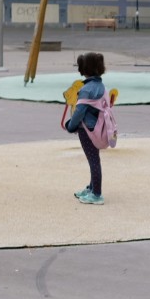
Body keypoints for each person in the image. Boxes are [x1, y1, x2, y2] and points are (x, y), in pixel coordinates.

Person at [64, 51, 108, 205]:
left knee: (93, 160)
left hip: (87, 130)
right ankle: (92, 187)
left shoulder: (86, 89)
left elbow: (79, 111)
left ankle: (96, 194)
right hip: (97, 128)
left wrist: (71, 125)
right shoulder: (100, 86)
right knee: (94, 159)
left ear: (84, 69)